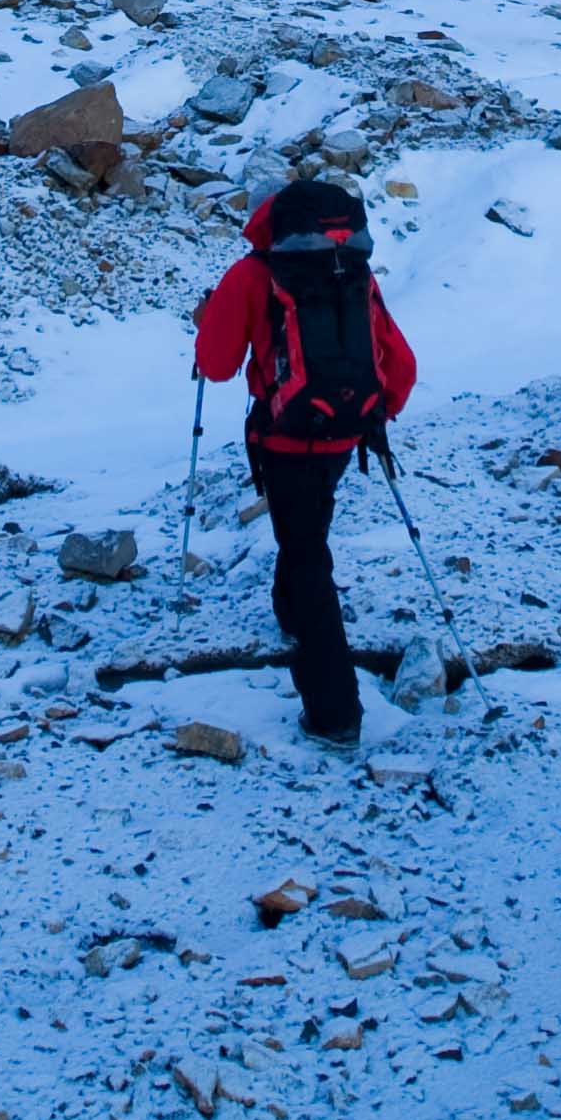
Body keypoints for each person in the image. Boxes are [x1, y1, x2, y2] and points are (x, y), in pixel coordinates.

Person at [192, 175, 417, 749]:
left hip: (285, 437)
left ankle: (333, 711)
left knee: (306, 552)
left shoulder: (251, 274)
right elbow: (401, 363)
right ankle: (289, 611)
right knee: (307, 532)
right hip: (345, 432)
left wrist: (209, 322)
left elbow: (216, 365)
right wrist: (370, 414)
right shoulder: (352, 270)